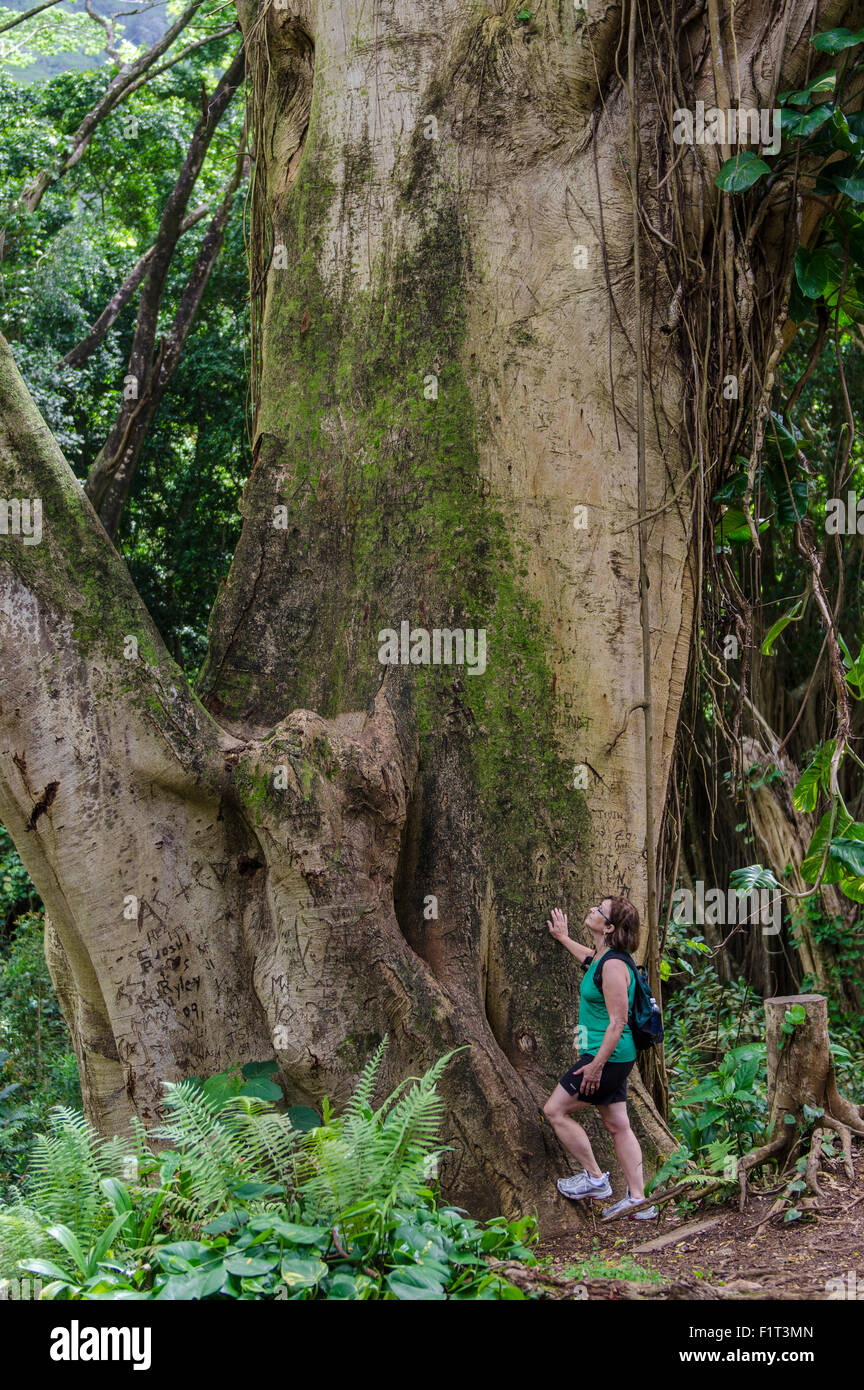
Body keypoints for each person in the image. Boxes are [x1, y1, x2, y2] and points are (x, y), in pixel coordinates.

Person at [542, 897, 658, 1219]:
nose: (591, 909)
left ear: (609, 927)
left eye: (599, 910)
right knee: (618, 1124)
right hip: (614, 1058)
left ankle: (595, 1178)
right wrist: (564, 938)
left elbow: (618, 1023)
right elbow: (588, 960)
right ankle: (639, 1201)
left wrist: (594, 1067)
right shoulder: (605, 959)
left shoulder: (614, 967)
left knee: (555, 1110)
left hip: (605, 1057)